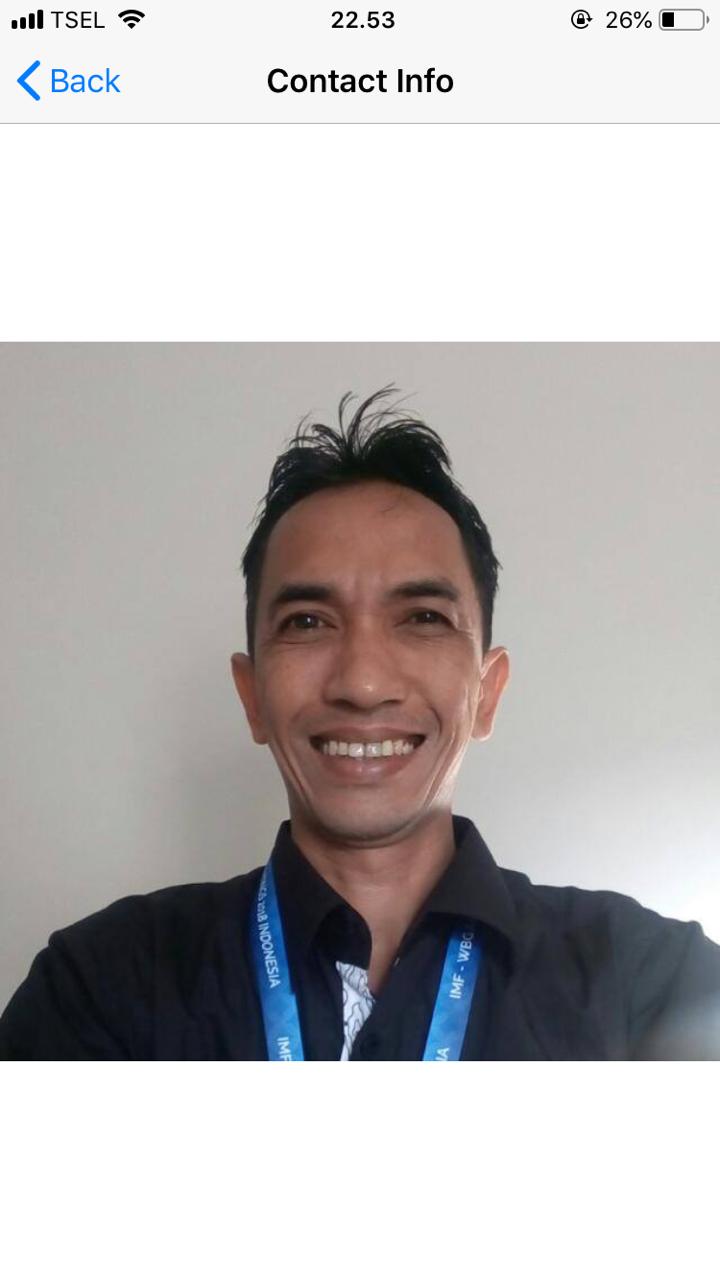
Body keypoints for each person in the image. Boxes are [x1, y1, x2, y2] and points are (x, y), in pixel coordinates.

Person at [2, 388, 719, 1060]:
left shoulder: (654, 983)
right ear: (251, 696)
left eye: (423, 618)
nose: (363, 683)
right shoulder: (102, 985)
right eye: (308, 622)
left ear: (487, 692)